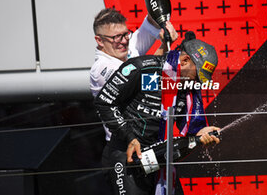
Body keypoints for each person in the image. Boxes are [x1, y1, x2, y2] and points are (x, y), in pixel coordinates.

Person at [94, 31, 220, 195]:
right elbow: (104, 101)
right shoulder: (141, 67)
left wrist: (201, 133)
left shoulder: (188, 87)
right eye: (197, 77)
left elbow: (192, 127)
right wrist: (129, 137)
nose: (197, 83)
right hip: (127, 155)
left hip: (159, 157)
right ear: (185, 60)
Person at [90, 8, 177, 192]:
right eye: (116, 38)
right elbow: (145, 83)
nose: (123, 41)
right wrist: (164, 45)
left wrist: (157, 0)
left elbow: (151, 22)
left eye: (125, 34)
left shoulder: (126, 48)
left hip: (148, 146)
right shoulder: (101, 69)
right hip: (122, 151)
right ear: (99, 40)